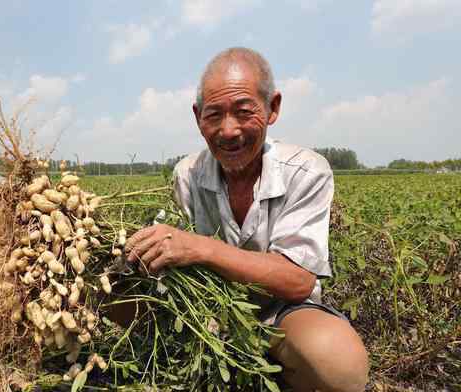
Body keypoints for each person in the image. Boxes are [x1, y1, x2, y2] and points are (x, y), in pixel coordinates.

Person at [125, 48, 369, 392]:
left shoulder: (306, 171)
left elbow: (297, 281)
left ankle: (282, 370)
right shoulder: (187, 175)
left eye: (243, 112)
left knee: (337, 364)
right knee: (115, 295)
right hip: (206, 314)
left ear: (272, 108)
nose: (228, 130)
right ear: (198, 118)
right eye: (214, 115)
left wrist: (200, 247)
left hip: (284, 314)